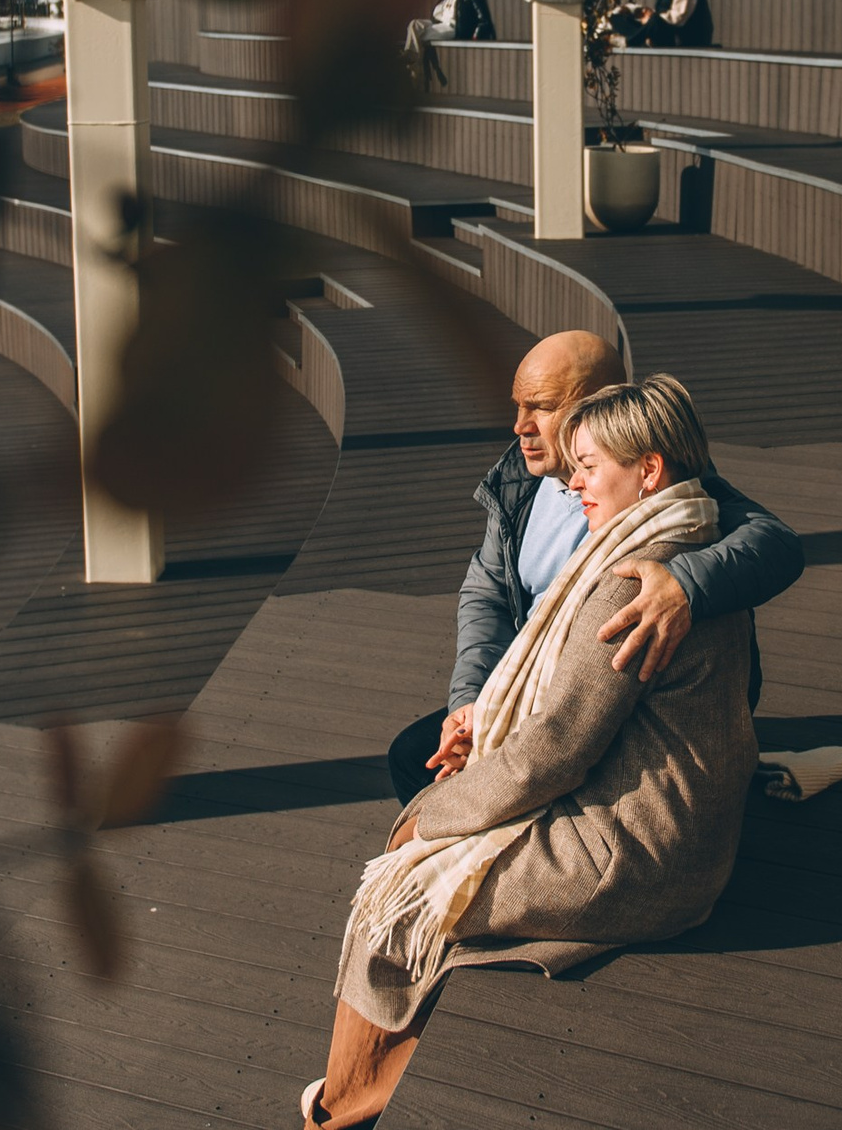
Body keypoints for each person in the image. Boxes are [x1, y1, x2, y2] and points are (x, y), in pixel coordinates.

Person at [307, 377, 760, 1128]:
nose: (573, 483)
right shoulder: (691, 538)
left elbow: (556, 750)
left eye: (589, 467)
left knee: (401, 895)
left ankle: (340, 1108)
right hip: (677, 824)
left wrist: (431, 820)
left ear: (647, 471)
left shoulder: (629, 582)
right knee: (432, 835)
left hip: (640, 854)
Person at [384, 329, 800, 806]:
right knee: (418, 760)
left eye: (541, 406)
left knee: (518, 786)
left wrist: (684, 584)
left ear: (597, 404)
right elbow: (488, 593)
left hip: (621, 698)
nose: (520, 426)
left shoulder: (662, 478)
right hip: (538, 682)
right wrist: (469, 701)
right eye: (518, 405)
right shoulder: (520, 479)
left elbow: (777, 545)